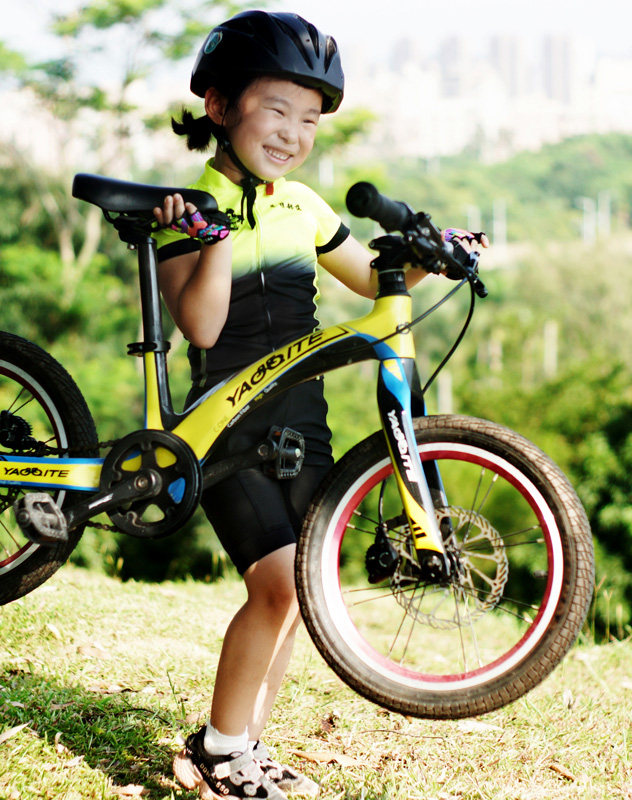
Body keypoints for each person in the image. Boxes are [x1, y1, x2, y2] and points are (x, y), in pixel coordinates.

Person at [151, 11, 486, 800]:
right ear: (219, 105)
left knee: (302, 590)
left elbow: (370, 281)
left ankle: (243, 746)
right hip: (227, 424)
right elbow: (200, 326)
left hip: (303, 423)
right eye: (277, 109)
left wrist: (433, 255)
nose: (292, 133)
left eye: (308, 119)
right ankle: (219, 751)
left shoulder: (302, 204)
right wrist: (215, 238)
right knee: (277, 583)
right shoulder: (184, 206)